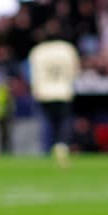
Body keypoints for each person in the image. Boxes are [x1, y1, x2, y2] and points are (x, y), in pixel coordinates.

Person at [26, 27, 81, 166]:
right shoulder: (67, 49)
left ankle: (46, 150)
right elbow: (75, 71)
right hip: (63, 91)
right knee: (63, 123)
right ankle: (62, 148)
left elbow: (32, 74)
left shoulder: (38, 51)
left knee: (46, 123)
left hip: (44, 92)